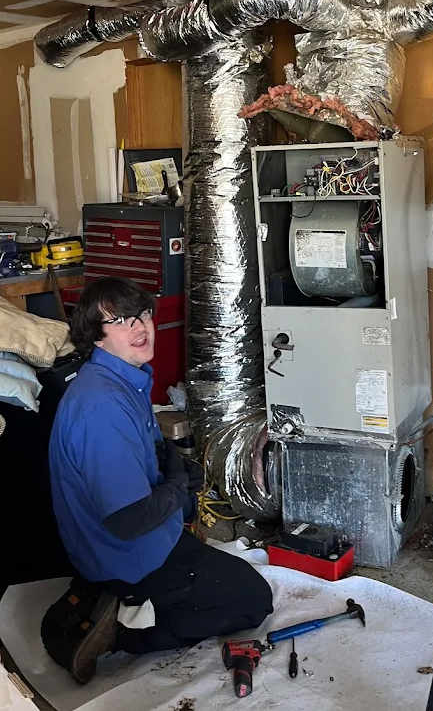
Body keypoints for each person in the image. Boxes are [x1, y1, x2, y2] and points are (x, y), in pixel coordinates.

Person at [43, 277, 273, 684]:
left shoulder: (121, 380)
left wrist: (175, 472)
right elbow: (128, 519)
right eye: (123, 320)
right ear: (96, 336)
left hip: (139, 539)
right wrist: (177, 486)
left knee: (232, 579)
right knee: (254, 601)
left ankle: (120, 600)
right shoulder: (103, 406)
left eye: (144, 313)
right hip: (126, 552)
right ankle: (123, 632)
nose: (142, 326)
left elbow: (147, 466)